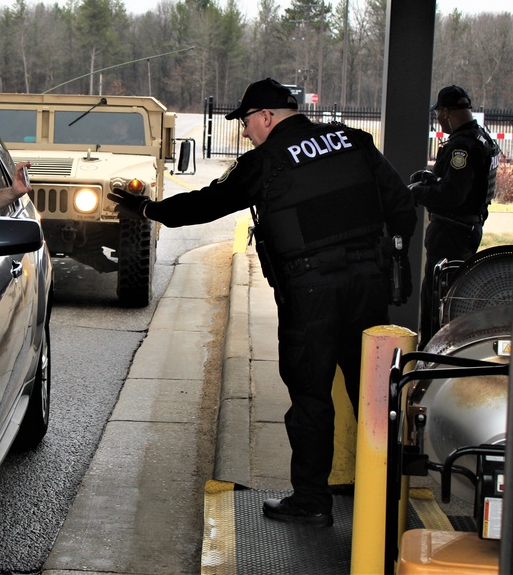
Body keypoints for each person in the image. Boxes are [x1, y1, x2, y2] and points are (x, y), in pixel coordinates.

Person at [109, 78, 416, 527]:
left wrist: (149, 210)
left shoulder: (267, 161)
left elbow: (209, 203)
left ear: (267, 117)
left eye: (248, 123)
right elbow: (402, 205)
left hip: (310, 293)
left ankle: (311, 501)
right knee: (372, 391)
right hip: (367, 287)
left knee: (311, 395)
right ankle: (387, 500)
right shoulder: (355, 142)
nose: (247, 132)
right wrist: (388, 259)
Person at [409, 85, 500, 347]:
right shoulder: (482, 138)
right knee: (451, 295)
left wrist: (417, 192)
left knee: (438, 299)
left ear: (447, 112)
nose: (437, 118)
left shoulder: (462, 147)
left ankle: (432, 355)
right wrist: (431, 179)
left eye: (438, 112)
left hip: (451, 233)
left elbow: (452, 195)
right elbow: (464, 185)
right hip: (468, 229)